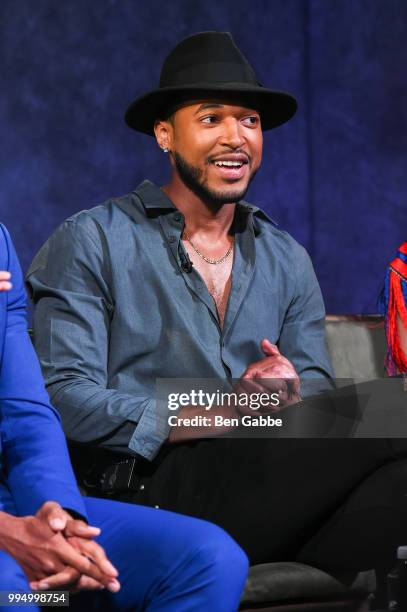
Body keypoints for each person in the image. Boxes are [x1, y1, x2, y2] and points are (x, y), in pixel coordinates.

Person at [25, 31, 407, 580]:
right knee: (397, 406)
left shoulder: (285, 256)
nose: (236, 137)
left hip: (271, 489)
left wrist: (291, 393)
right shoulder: (93, 239)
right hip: (148, 492)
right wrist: (228, 406)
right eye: (211, 119)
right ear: (165, 134)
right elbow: (66, 399)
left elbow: (320, 398)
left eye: (249, 120)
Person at [0, 223, 248, 611]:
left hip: (19, 499)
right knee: (10, 593)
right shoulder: (90, 236)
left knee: (211, 559)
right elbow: (69, 392)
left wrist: (62, 519)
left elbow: (25, 413)